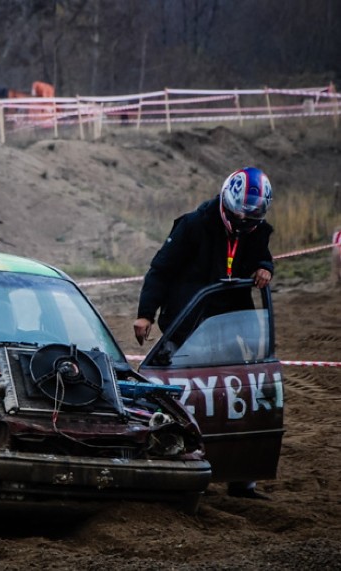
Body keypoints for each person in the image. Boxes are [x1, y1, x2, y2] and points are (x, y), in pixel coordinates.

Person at [133, 166, 274, 500]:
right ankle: (178, 464)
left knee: (243, 394)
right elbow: (160, 269)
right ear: (226, 204)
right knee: (184, 396)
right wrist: (144, 315)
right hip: (187, 321)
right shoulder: (193, 225)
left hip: (233, 324)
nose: (244, 226)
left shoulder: (258, 231)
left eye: (250, 221)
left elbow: (263, 257)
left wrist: (266, 268)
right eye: (240, 218)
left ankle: (243, 478)